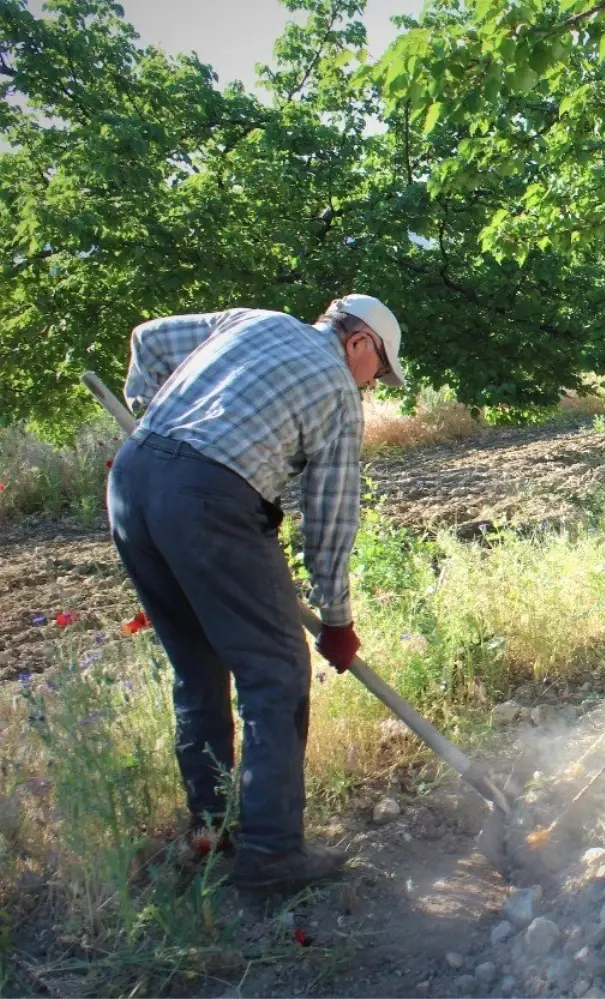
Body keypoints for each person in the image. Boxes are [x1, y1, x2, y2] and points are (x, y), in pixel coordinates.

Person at [107, 294, 404, 890]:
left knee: (197, 665)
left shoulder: (252, 321)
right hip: (209, 501)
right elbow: (330, 521)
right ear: (358, 343)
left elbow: (148, 336)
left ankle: (210, 826)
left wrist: (151, 414)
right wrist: (337, 620)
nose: (376, 385)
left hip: (133, 479)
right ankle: (271, 858)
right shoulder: (338, 393)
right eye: (381, 370)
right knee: (275, 673)